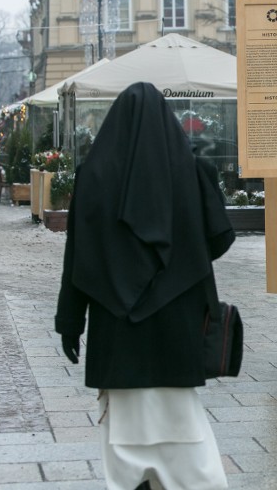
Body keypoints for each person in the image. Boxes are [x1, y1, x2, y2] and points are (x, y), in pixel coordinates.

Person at [55, 82, 234, 490]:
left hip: (117, 329)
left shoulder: (94, 175)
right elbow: (221, 239)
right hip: (178, 323)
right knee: (184, 427)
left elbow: (77, 254)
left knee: (124, 435)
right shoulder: (193, 171)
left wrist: (70, 321)